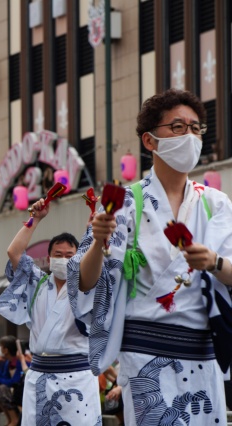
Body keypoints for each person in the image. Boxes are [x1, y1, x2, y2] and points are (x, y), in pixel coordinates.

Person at [69, 88, 232, 425]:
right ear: (149, 141)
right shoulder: (124, 205)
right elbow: (84, 282)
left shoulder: (215, 204)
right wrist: (99, 242)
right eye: (177, 127)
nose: (189, 135)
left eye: (195, 128)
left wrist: (214, 263)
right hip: (144, 353)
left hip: (203, 352)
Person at [0, 197, 101, 425]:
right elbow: (14, 252)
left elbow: (95, 253)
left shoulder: (88, 285)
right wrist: (35, 218)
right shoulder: (37, 283)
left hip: (77, 377)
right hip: (39, 376)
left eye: (70, 256)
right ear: (49, 257)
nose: (63, 259)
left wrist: (94, 227)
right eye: (58, 255)